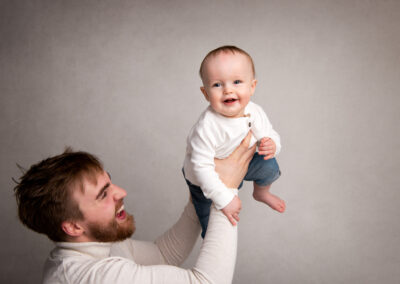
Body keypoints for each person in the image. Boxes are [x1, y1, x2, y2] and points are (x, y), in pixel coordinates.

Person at [14, 133, 256, 284]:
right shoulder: (95, 277)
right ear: (73, 226)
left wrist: (200, 192)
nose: (121, 192)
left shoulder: (99, 241)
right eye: (103, 194)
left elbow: (163, 255)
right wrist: (225, 191)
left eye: (109, 181)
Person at [183, 45, 285, 238]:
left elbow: (269, 133)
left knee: (269, 165)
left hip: (242, 166)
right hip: (204, 177)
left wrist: (272, 144)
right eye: (217, 85)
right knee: (214, 227)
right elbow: (201, 167)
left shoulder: (254, 111)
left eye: (237, 82)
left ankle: (261, 192)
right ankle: (211, 236)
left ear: (252, 86)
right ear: (205, 93)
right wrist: (224, 198)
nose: (228, 90)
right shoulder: (207, 127)